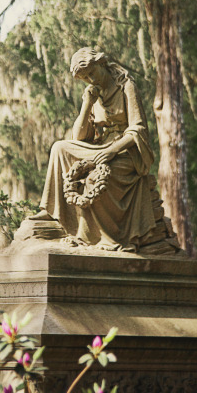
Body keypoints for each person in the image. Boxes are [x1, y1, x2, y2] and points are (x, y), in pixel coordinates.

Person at [30, 47, 157, 251]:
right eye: (85, 78)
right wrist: (87, 104)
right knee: (59, 148)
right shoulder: (92, 94)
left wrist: (112, 151)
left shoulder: (125, 85)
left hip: (125, 151)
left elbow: (138, 129)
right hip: (100, 146)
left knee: (92, 179)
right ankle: (51, 209)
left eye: (92, 73)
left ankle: (89, 237)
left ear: (101, 63)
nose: (91, 80)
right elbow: (79, 137)